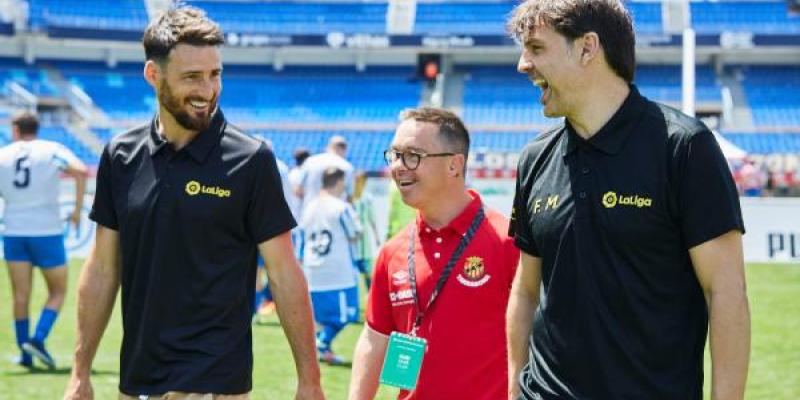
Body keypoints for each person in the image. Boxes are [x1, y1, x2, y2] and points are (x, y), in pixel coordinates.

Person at [63, 7, 324, 400]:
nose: (207, 90)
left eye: (215, 74)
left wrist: (310, 381)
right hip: (138, 380)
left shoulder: (252, 160)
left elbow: (284, 272)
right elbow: (102, 267)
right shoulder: (120, 155)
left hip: (218, 383)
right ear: (154, 74)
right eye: (192, 77)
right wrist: (80, 373)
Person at [505, 1, 750, 399]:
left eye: (535, 48)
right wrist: (514, 389)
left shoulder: (684, 147)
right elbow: (526, 289)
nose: (522, 64)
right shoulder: (534, 157)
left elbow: (726, 292)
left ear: (587, 48)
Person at [349, 107, 520, 400]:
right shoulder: (393, 252)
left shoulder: (509, 243)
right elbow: (375, 337)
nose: (399, 166)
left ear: (454, 165)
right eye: (395, 154)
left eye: (413, 155)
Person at [0, 112, 87, 369]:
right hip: (46, 231)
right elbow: (81, 171)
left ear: (16, 130)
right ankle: (38, 339)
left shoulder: (3, 153)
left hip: (14, 231)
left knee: (20, 296)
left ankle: (26, 355)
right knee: (58, 291)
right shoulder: (52, 149)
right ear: (37, 129)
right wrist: (76, 210)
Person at [299, 167, 362, 365]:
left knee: (320, 318)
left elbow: (301, 236)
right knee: (347, 314)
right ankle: (322, 343)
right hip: (338, 272)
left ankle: (323, 349)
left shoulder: (309, 206)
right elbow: (356, 232)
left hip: (312, 271)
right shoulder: (341, 207)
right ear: (341, 182)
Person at [296, 135, 354, 212]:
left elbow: (297, 190)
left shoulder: (310, 161)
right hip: (335, 214)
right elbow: (349, 197)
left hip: (310, 211)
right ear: (344, 149)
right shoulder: (347, 167)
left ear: (328, 147)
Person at [352, 170, 381, 290]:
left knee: (367, 271)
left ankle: (371, 295)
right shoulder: (350, 197)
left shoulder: (367, 198)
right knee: (354, 271)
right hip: (353, 240)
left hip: (364, 242)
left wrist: (376, 236)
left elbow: (372, 219)